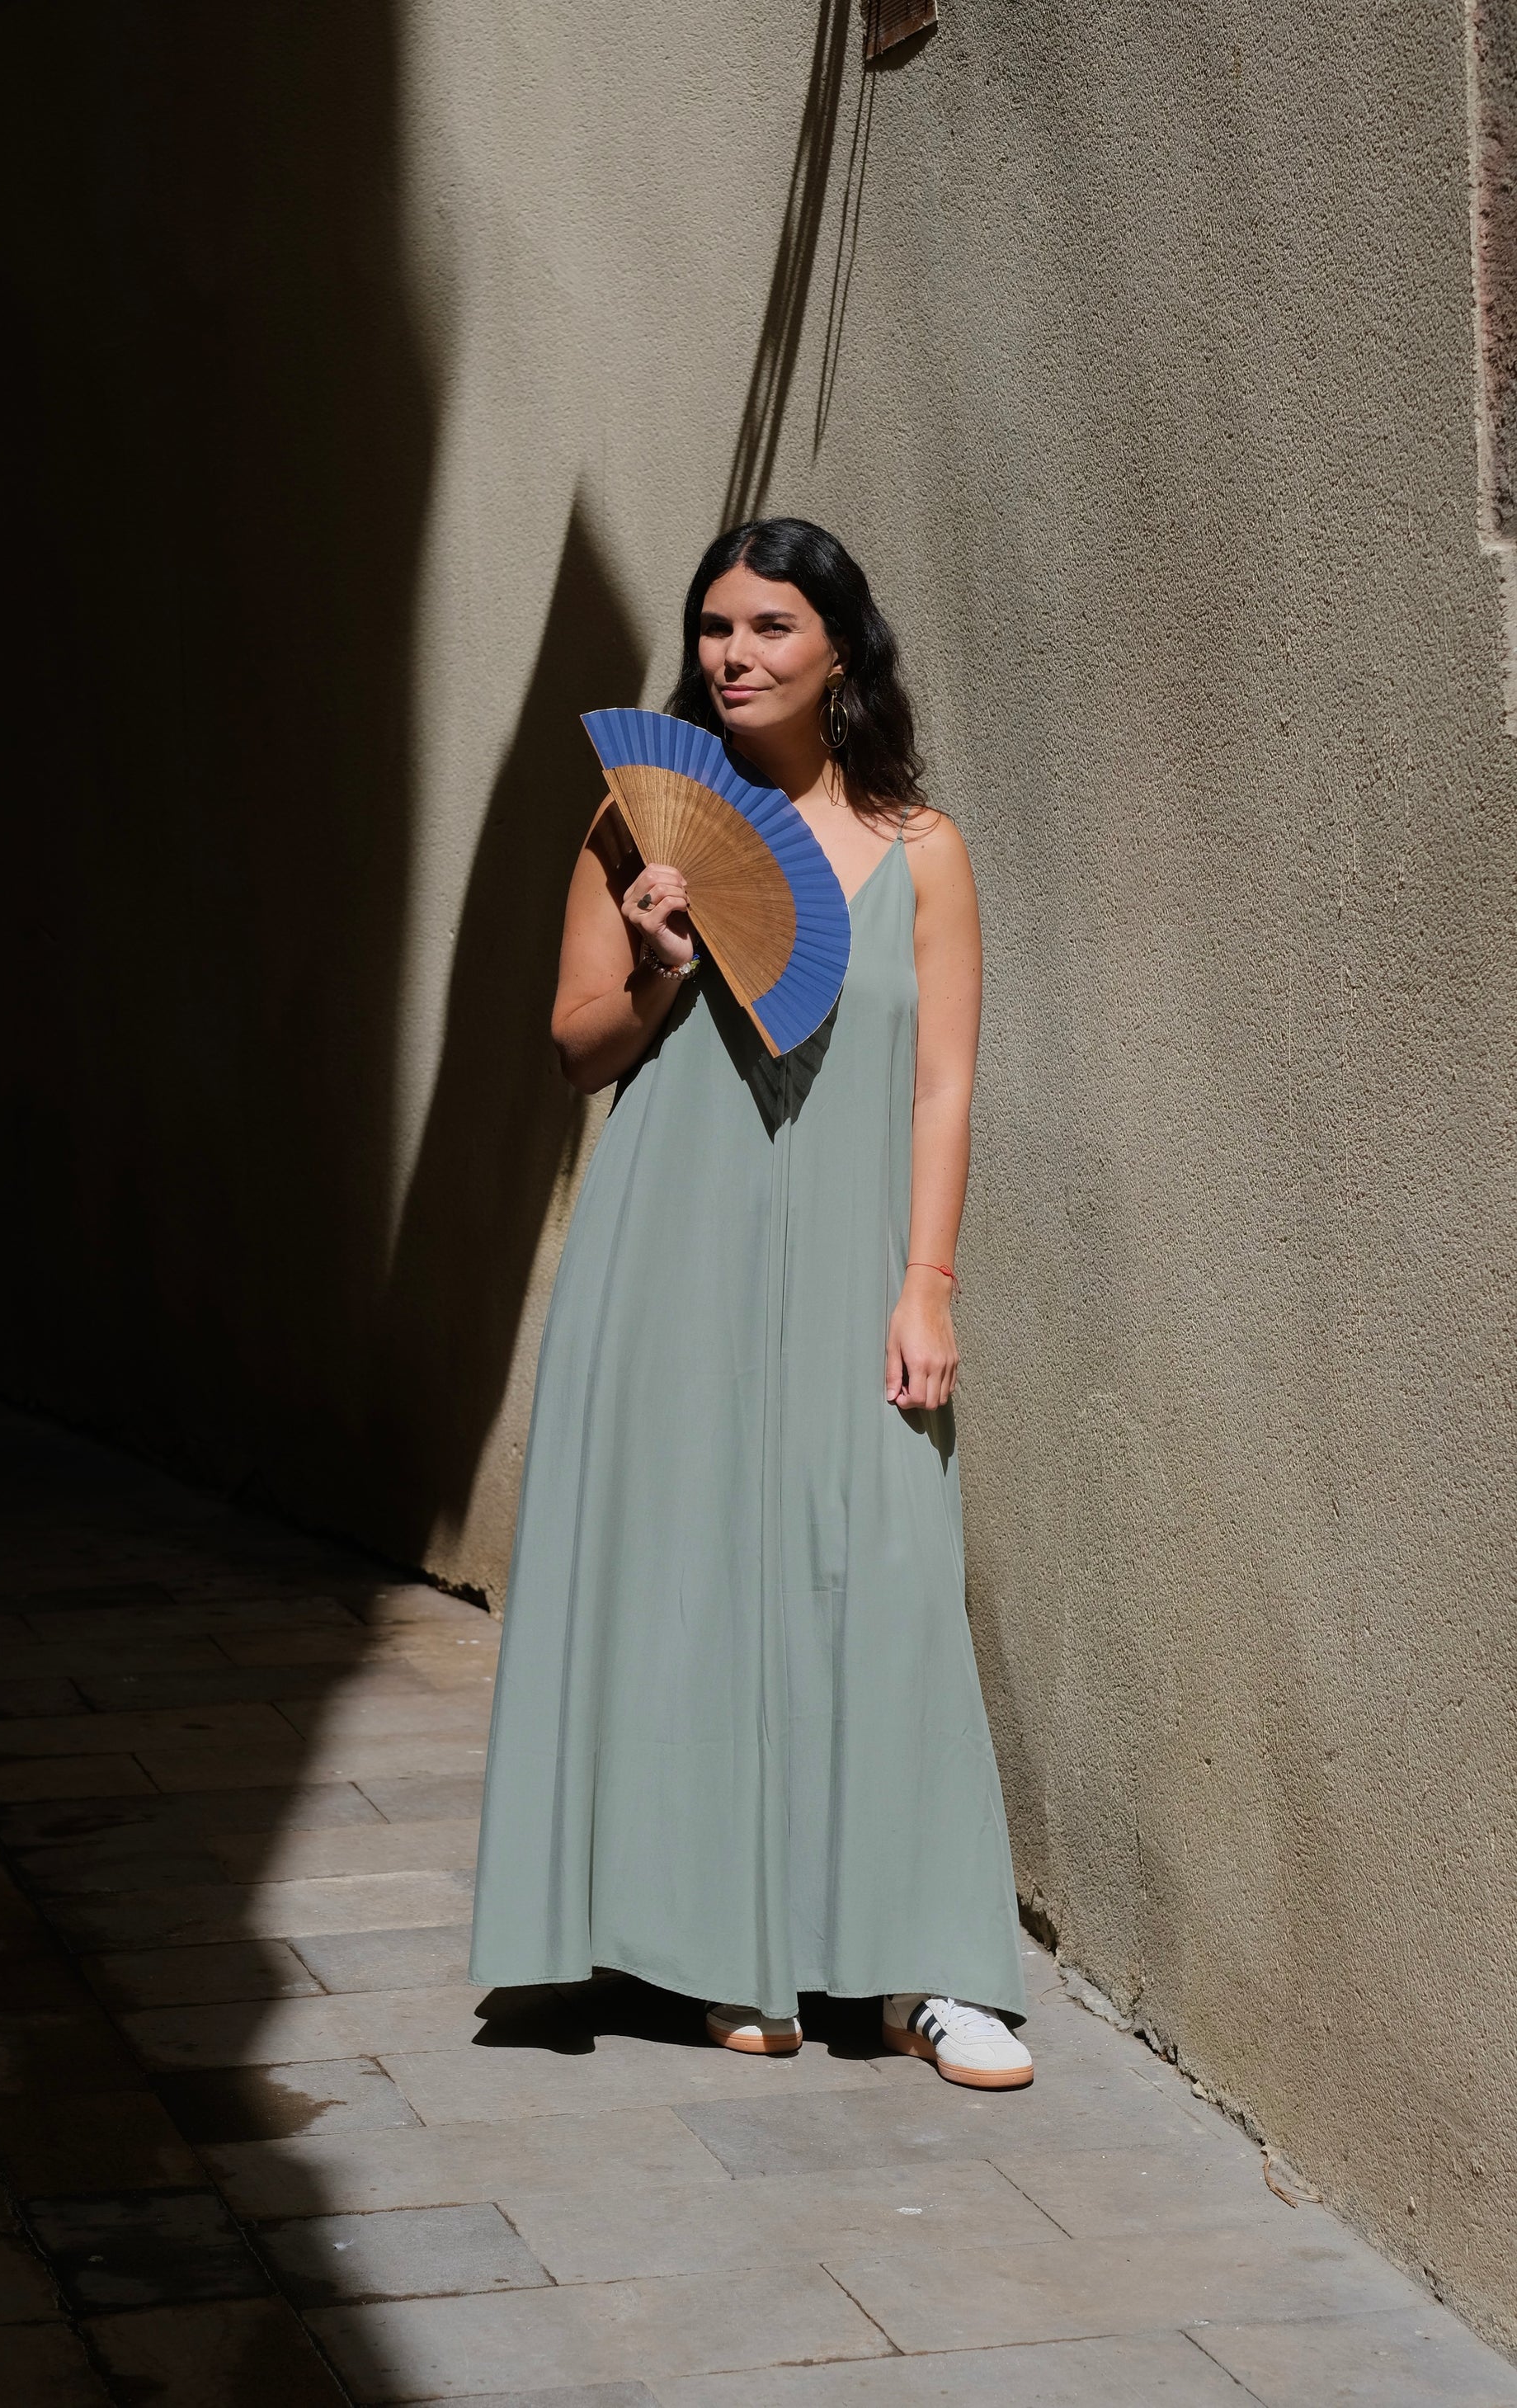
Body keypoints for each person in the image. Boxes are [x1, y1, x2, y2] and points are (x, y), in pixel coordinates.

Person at [468, 517, 1031, 2090]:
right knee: (692, 1580)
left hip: (861, 1257)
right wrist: (654, 960)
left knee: (889, 1570)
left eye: (773, 627)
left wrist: (925, 1284)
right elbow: (579, 1050)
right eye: (715, 627)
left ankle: (932, 1973)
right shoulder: (635, 827)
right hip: (674, 1247)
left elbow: (943, 1083)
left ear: (838, 648)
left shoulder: (923, 848)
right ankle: (717, 1950)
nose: (734, 655)